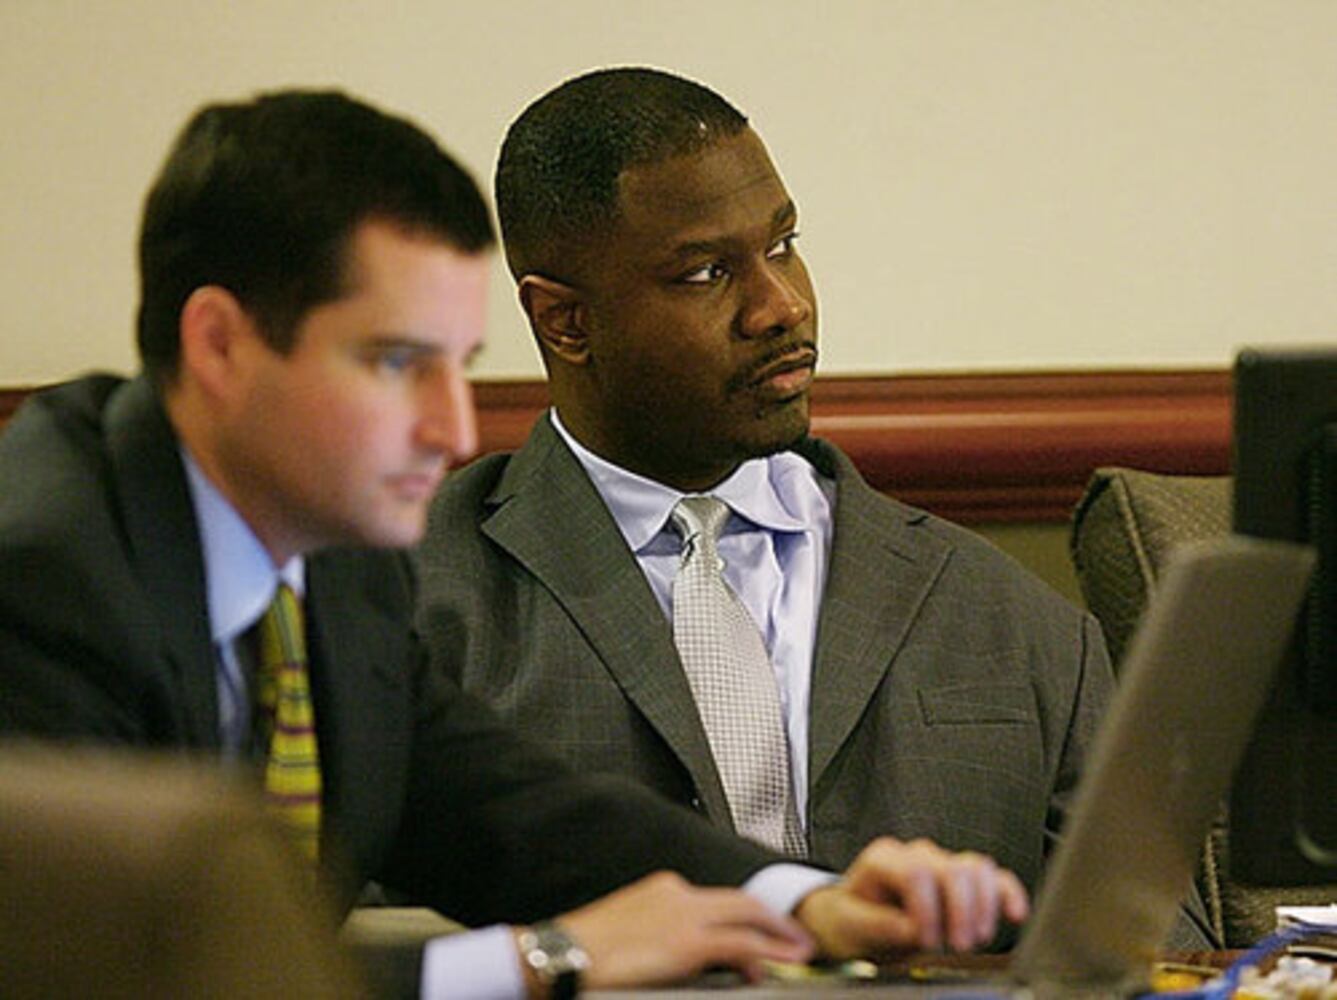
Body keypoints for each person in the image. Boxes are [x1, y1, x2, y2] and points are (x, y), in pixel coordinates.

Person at [0, 88, 1030, 1000]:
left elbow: (497, 807)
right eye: (396, 364)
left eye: (458, 365)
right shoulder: (41, 572)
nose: (451, 429)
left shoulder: (331, 546)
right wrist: (543, 960)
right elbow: (110, 969)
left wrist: (802, 902)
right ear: (220, 345)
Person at [416, 66, 1209, 949]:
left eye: (784, 244)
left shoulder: (1014, 620)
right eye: (706, 272)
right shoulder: (416, 599)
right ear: (565, 321)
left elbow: (1158, 954)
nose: (780, 306)